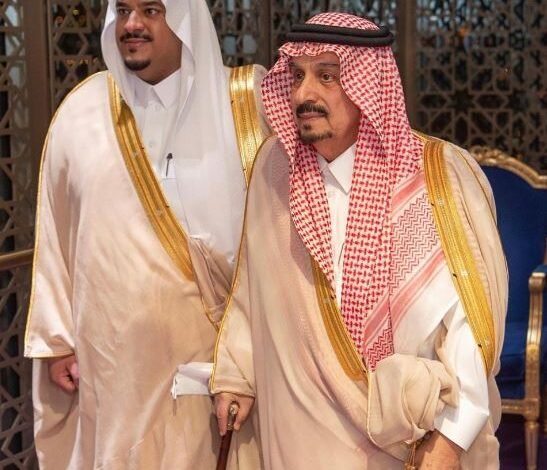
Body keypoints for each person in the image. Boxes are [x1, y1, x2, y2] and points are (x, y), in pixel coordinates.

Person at [212, 12, 507, 470]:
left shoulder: (436, 176)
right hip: (296, 436)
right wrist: (236, 373)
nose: (303, 94)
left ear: (370, 85)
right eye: (297, 75)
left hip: (405, 442)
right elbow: (251, 289)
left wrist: (453, 436)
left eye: (326, 76)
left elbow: (469, 323)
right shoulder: (274, 168)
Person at [24, 0, 267, 468]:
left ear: (184, 19)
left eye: (151, 10)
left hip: (219, 370)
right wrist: (57, 341)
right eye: (123, 10)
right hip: (115, 370)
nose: (132, 24)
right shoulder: (83, 112)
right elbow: (56, 231)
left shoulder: (243, 105)